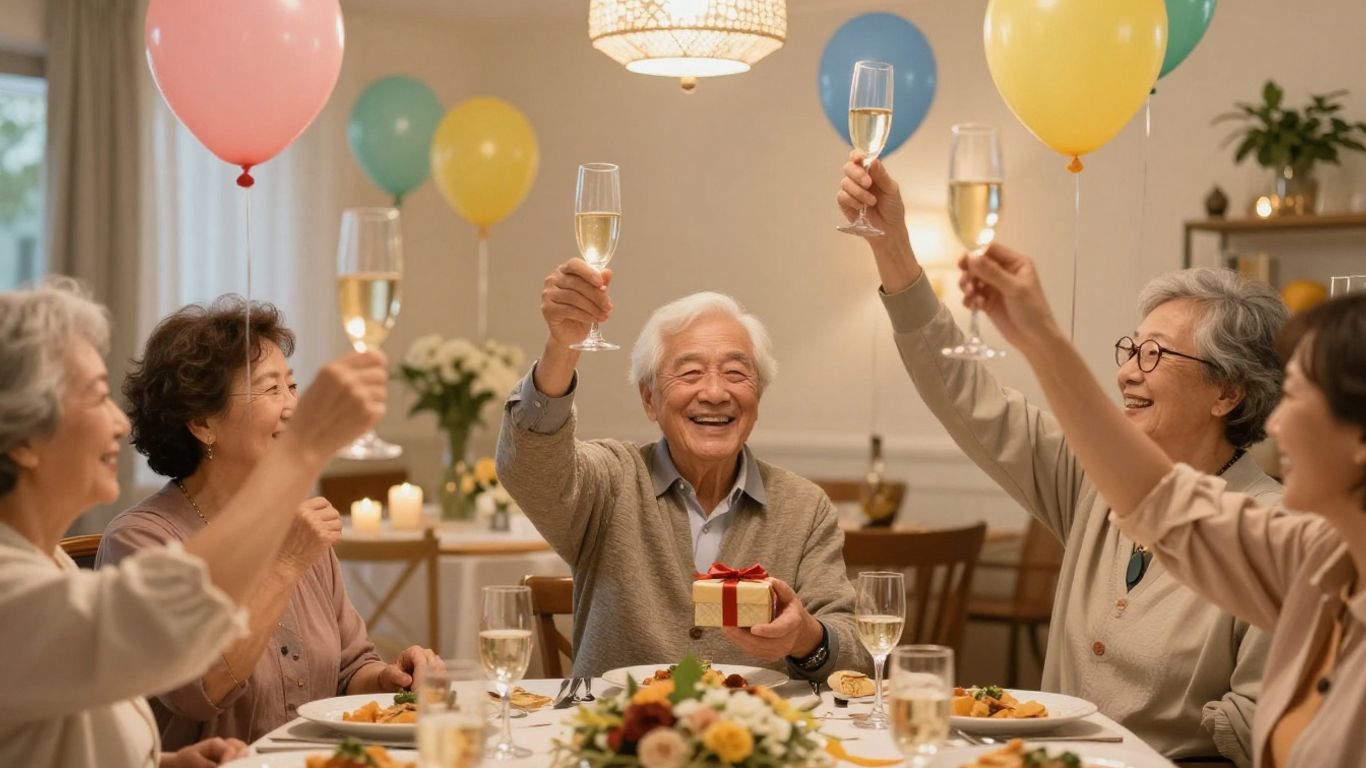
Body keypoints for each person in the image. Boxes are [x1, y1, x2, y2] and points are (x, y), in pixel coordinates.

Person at [837, 153, 1286, 764]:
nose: (1127, 371)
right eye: (1130, 348)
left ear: (1228, 391)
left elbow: (1265, 731)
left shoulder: (1270, 532)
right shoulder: (1094, 483)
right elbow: (968, 397)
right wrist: (892, 246)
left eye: (1154, 355)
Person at [961, 243, 1366, 768]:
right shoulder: (1313, 559)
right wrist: (1038, 337)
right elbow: (1159, 501)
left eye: (1299, 397)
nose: (1278, 423)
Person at [0, 278, 387, 767]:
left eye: (292, 384)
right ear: (24, 440)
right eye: (97, 397)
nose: (119, 424)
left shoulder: (45, 562)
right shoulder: (12, 588)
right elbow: (158, 628)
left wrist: (164, 763)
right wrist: (303, 451)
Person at [496, 259, 865, 680]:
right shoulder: (611, 483)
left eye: (736, 373)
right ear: (650, 400)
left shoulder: (803, 507)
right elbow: (527, 465)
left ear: (757, 397)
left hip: (753, 737)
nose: (714, 392)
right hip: (617, 736)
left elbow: (855, 656)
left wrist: (806, 638)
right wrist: (561, 348)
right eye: (690, 373)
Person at [97, 296, 439, 747]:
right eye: (270, 389)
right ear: (202, 422)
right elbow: (199, 693)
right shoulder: (141, 540)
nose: (293, 407)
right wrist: (287, 563)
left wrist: (390, 680)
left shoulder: (295, 522)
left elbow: (351, 669)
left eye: (292, 386)